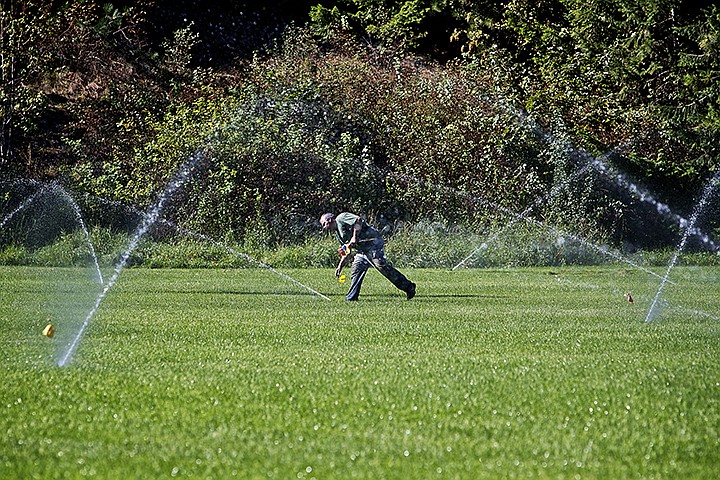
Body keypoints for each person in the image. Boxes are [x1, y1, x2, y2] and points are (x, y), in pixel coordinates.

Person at [320, 212, 416, 301]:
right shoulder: (339, 235)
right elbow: (347, 251)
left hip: (373, 243)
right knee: (356, 270)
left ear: (330, 220)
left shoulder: (341, 218)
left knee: (382, 268)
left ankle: (409, 287)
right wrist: (340, 266)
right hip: (362, 251)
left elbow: (358, 220)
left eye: (324, 224)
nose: (324, 227)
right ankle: (351, 298)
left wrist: (354, 237)